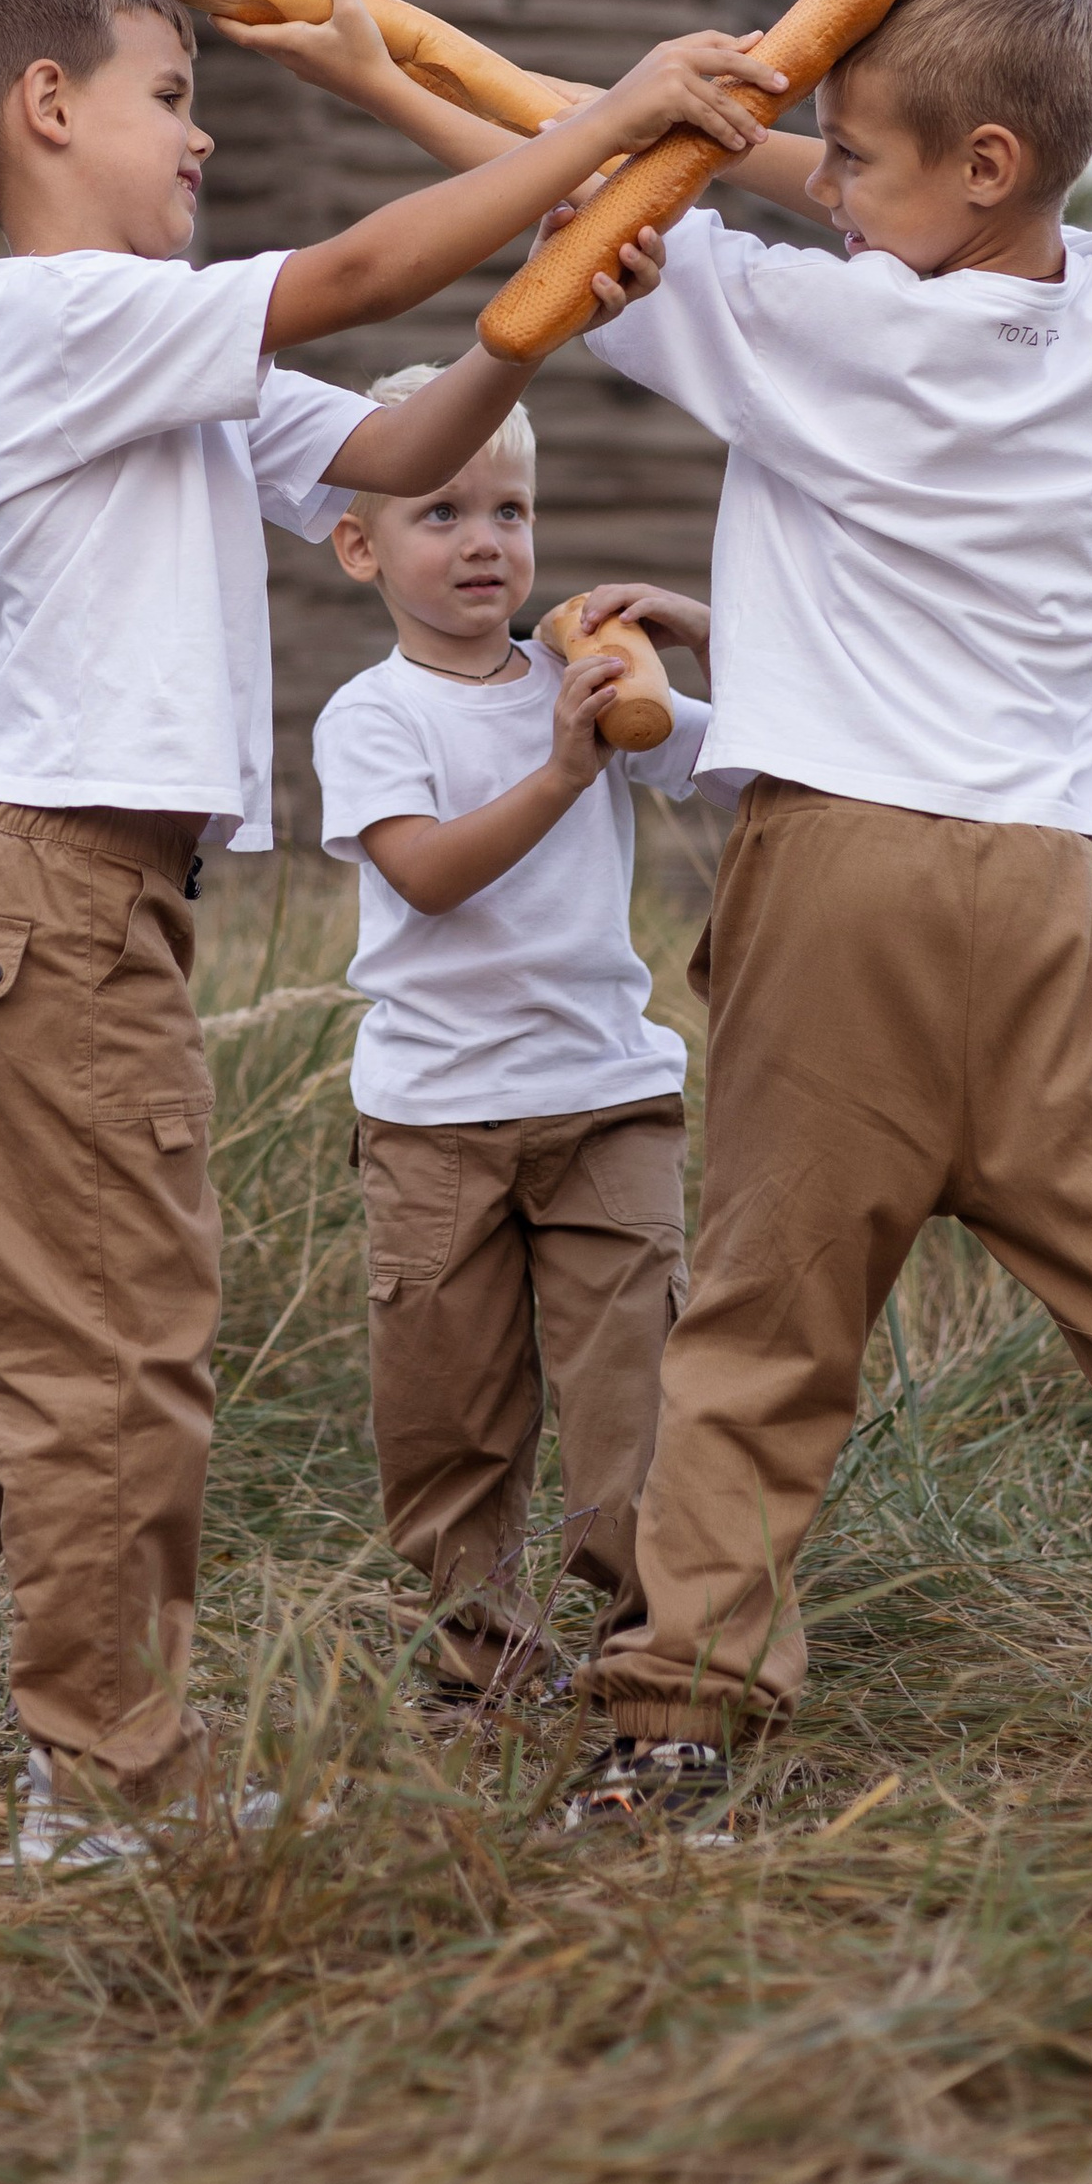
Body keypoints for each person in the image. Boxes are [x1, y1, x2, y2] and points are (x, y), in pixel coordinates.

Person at [234, 0, 1092, 1830]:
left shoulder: (818, 329)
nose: (823, 192)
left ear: (980, 166)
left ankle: (677, 1726)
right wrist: (767, 133)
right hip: (1055, 900)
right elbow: (794, 192)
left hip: (849, 884)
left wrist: (384, 76)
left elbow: (591, 201)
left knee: (757, 1324)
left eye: (857, 164)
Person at [0, 0, 770, 1863]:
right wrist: (601, 124)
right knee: (116, 1336)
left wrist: (539, 313)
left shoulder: (174, 362)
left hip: (27, 891)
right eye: (171, 99)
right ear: (50, 112)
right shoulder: (65, 310)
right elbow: (357, 280)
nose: (200, 139)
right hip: (63, 894)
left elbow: (402, 441)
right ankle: (105, 1780)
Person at [311, 365, 717, 1706]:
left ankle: (656, 1675)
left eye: (512, 509)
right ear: (359, 546)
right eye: (441, 513)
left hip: (604, 1100)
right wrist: (559, 771)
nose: (487, 542)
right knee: (449, 1426)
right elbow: (423, 872)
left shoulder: (587, 679)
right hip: (433, 1123)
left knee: (637, 1418)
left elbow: (759, 748)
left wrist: (698, 632)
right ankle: (478, 1678)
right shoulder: (375, 715)